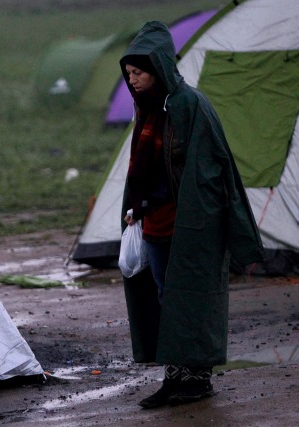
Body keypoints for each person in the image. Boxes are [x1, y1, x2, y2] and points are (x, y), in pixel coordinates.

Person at [119, 21, 264, 409]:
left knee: (192, 298)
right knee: (168, 297)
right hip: (155, 223)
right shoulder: (147, 109)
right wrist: (136, 208)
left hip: (191, 224)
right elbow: (142, 167)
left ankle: (198, 379)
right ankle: (175, 377)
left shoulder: (190, 105)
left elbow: (212, 167)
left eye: (139, 72)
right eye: (129, 74)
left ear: (159, 66)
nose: (132, 80)